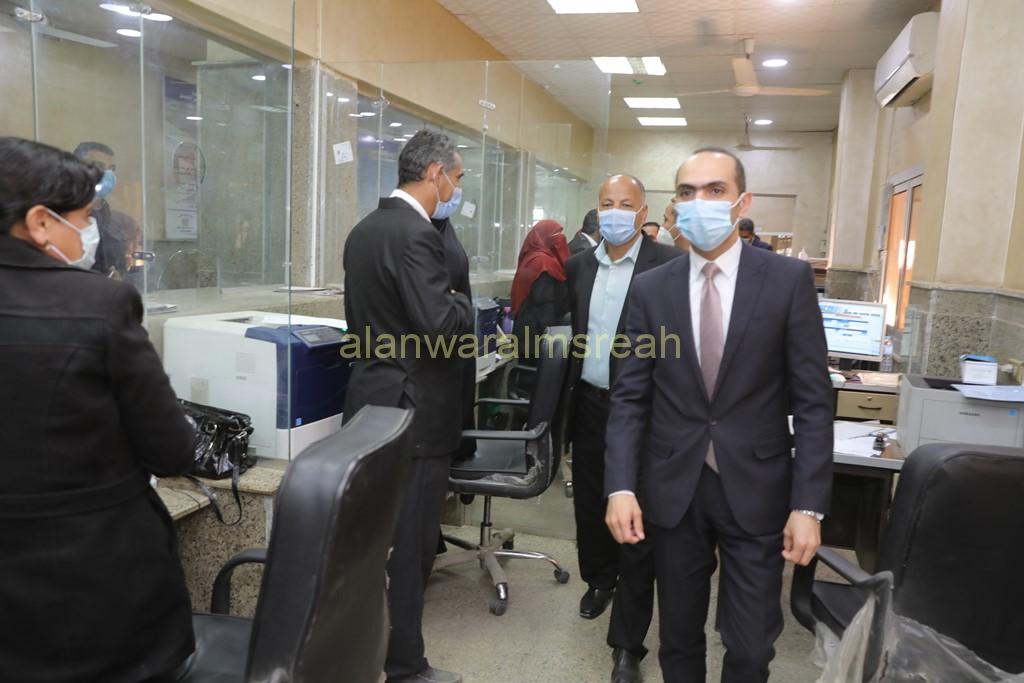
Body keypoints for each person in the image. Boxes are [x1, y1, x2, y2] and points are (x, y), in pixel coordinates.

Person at [604, 147, 834, 683]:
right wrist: (620, 487)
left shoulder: (786, 281)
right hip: (673, 487)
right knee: (678, 640)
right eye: (687, 192)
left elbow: (814, 401)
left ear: (741, 202)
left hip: (757, 485)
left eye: (715, 190)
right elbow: (629, 397)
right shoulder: (651, 289)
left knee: (751, 647)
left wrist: (809, 505)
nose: (699, 201)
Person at [0, 137, 197, 682]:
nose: (90, 231)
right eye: (84, 218)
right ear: (41, 223)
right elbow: (171, 450)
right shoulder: (98, 304)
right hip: (91, 584)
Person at [342, 130, 473, 683]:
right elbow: (441, 324)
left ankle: (364, 650)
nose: (456, 190)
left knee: (377, 540)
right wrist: (464, 303)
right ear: (435, 173)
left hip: (373, 400)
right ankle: (404, 666)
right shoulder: (417, 234)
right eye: (456, 178)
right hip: (415, 411)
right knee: (412, 545)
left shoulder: (366, 229)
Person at [564, 175, 680, 676]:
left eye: (625, 204)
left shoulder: (669, 264)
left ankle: (627, 642)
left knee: (635, 516)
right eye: (606, 203)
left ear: (642, 212)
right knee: (591, 503)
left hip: (645, 413)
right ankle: (599, 579)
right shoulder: (578, 266)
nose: (615, 212)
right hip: (590, 404)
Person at [73, 141, 142, 277]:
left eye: (112, 169)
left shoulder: (121, 222)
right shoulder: (63, 220)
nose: (108, 175)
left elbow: (134, 270)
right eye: (99, 166)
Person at [510, 219, 571, 368]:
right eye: (556, 235)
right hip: (536, 339)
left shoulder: (533, 258)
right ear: (544, 238)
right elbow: (544, 307)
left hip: (528, 335)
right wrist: (554, 339)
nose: (561, 239)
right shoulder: (543, 264)